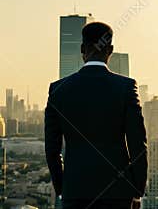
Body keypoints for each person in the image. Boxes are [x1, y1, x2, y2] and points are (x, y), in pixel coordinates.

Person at [45, 22, 148, 209]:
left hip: (75, 193)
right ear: (110, 50)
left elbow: (52, 149)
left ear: (82, 49)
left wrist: (63, 188)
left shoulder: (58, 89)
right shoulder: (126, 88)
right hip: (118, 193)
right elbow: (137, 145)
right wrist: (136, 191)